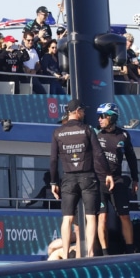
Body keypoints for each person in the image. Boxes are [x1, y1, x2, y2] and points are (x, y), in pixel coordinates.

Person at [50, 99, 114, 259]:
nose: (84, 113)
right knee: (91, 216)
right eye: (83, 111)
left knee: (67, 218)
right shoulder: (87, 130)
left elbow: (53, 160)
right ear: (77, 111)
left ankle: (65, 254)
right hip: (87, 177)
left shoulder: (58, 132)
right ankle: (91, 253)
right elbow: (99, 154)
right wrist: (108, 173)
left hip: (68, 178)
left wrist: (53, 182)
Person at [94, 103, 139, 254]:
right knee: (102, 218)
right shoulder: (96, 134)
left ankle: (130, 250)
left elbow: (131, 158)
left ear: (112, 117)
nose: (99, 119)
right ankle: (105, 254)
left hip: (117, 180)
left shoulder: (123, 135)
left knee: (124, 216)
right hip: (99, 181)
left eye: (103, 116)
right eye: (99, 116)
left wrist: (135, 179)